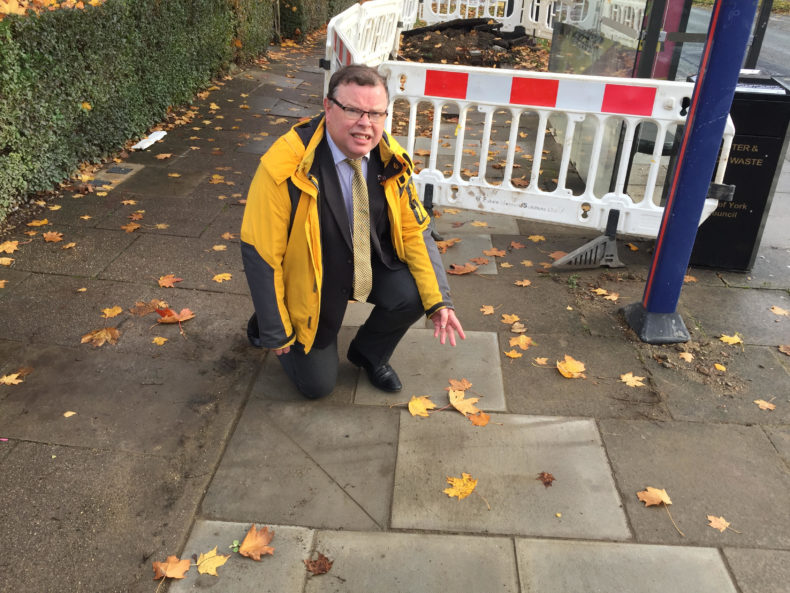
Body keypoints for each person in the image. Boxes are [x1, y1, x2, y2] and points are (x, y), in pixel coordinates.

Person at [240, 64, 464, 399]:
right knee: (317, 387)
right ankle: (268, 319)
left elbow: (416, 231)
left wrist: (440, 302)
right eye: (353, 110)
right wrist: (276, 330)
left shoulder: (390, 158)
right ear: (328, 108)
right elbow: (261, 253)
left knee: (416, 292)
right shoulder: (284, 165)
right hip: (310, 278)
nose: (365, 123)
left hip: (364, 262)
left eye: (375, 114)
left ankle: (368, 354)